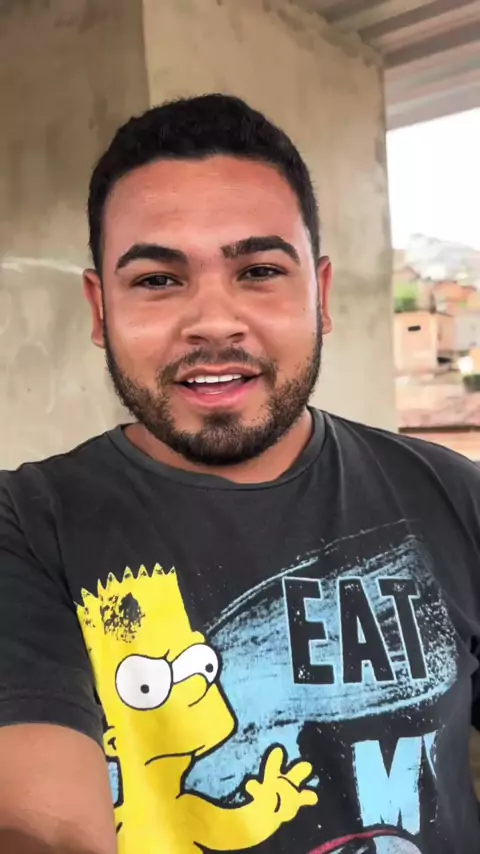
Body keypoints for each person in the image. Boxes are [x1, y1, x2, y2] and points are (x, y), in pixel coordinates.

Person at [0, 93, 479, 854]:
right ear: (99, 309)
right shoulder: (26, 526)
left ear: (321, 294)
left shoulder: (456, 498)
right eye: (158, 280)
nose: (214, 323)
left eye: (258, 270)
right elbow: (38, 823)